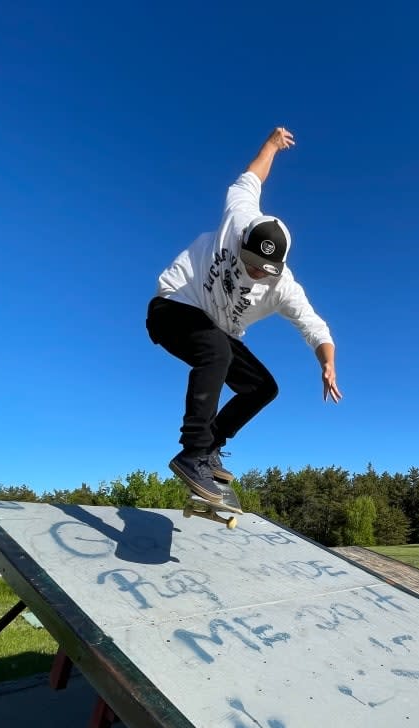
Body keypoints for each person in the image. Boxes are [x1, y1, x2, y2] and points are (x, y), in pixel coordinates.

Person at [146, 126, 342, 505]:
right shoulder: (239, 216)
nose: (255, 273)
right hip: (173, 307)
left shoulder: (283, 286)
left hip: (216, 329)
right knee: (216, 350)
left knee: (263, 387)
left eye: (263, 270)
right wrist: (270, 145)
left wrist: (328, 362)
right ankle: (192, 453)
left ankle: (211, 446)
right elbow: (251, 178)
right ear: (243, 242)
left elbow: (315, 326)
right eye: (251, 264)